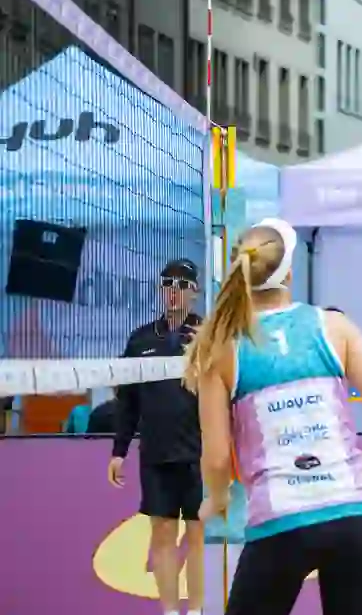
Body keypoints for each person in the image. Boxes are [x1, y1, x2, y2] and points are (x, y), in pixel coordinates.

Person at [183, 217, 362, 615]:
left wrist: (215, 499)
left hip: (281, 520)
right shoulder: (334, 327)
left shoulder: (222, 348)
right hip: (352, 515)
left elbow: (215, 457)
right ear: (289, 273)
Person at [109, 258, 205, 615]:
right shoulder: (141, 339)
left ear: (194, 292)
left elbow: (227, 392)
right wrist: (119, 451)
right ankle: (169, 611)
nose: (174, 291)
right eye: (168, 283)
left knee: (196, 535)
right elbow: (128, 401)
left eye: (182, 285)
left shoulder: (208, 334)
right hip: (156, 453)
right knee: (162, 535)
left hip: (198, 453)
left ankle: (195, 610)